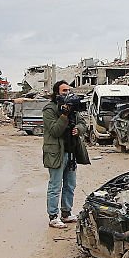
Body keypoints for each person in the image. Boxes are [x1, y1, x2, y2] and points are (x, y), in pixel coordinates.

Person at [43, 81, 86, 228]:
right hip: (56, 153)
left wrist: (78, 129)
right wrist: (64, 115)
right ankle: (53, 216)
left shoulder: (73, 108)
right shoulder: (50, 109)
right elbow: (54, 131)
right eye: (63, 91)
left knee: (70, 185)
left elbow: (83, 123)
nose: (67, 93)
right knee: (55, 185)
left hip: (71, 152)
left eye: (68, 90)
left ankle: (66, 213)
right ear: (56, 93)